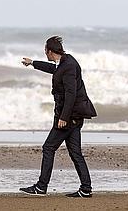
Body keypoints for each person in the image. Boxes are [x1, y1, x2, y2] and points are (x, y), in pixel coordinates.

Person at [19, 36, 97, 198]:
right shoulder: (65, 61)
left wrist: (64, 117)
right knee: (75, 152)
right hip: (73, 115)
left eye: (45, 50)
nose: (45, 53)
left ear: (50, 51)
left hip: (70, 116)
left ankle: (41, 187)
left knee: (48, 147)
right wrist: (33, 63)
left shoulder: (68, 67)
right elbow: (53, 69)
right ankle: (86, 189)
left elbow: (71, 94)